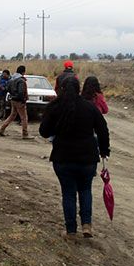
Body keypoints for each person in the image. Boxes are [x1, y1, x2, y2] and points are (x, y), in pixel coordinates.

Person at [39, 77, 110, 239]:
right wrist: (104, 150)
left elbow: (44, 132)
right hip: (87, 158)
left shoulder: (55, 107)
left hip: (62, 158)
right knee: (86, 190)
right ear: (79, 89)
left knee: (69, 193)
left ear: (61, 89)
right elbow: (103, 130)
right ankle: (87, 225)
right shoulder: (90, 107)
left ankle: (71, 230)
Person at [0, 65, 34, 139]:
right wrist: (23, 100)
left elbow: (7, 89)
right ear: (23, 72)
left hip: (13, 100)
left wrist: (13, 96)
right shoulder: (21, 80)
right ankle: (25, 134)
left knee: (12, 116)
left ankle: (2, 129)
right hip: (19, 101)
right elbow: (21, 93)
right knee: (24, 118)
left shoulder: (12, 79)